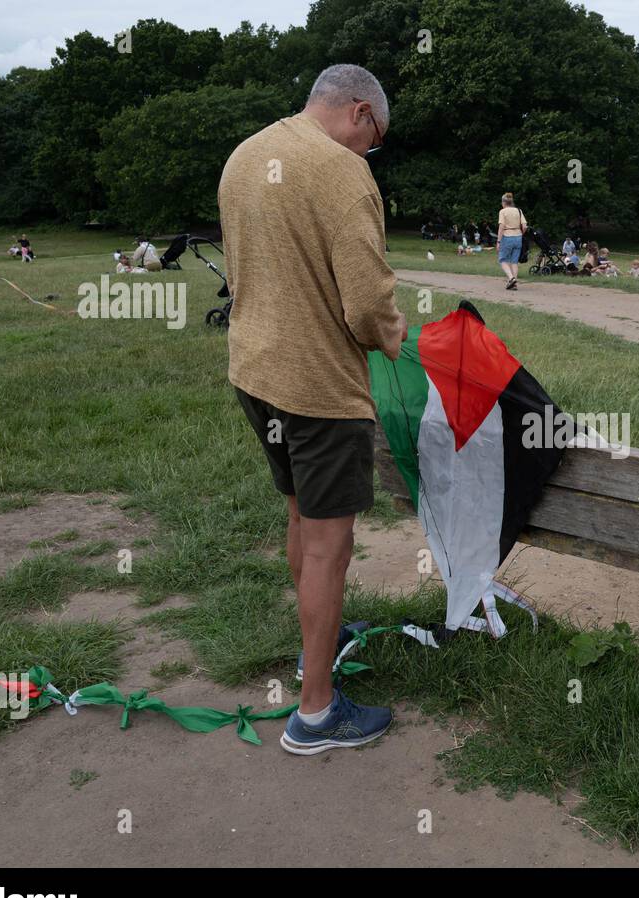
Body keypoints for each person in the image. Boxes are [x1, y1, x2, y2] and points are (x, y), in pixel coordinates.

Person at [218, 63, 407, 756]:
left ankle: (314, 653)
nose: (371, 153)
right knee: (332, 543)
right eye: (375, 138)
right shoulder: (341, 171)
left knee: (300, 515)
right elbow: (364, 303)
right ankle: (318, 714)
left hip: (255, 371)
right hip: (318, 389)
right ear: (359, 113)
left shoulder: (245, 155)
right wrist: (393, 333)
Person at [497, 192, 527, 290]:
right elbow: (524, 226)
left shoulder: (503, 211)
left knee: (502, 259)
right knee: (514, 261)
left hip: (507, 236)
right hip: (518, 237)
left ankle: (511, 278)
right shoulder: (519, 210)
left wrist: (498, 241)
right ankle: (514, 284)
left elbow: (501, 226)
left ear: (503, 202)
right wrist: (520, 234)